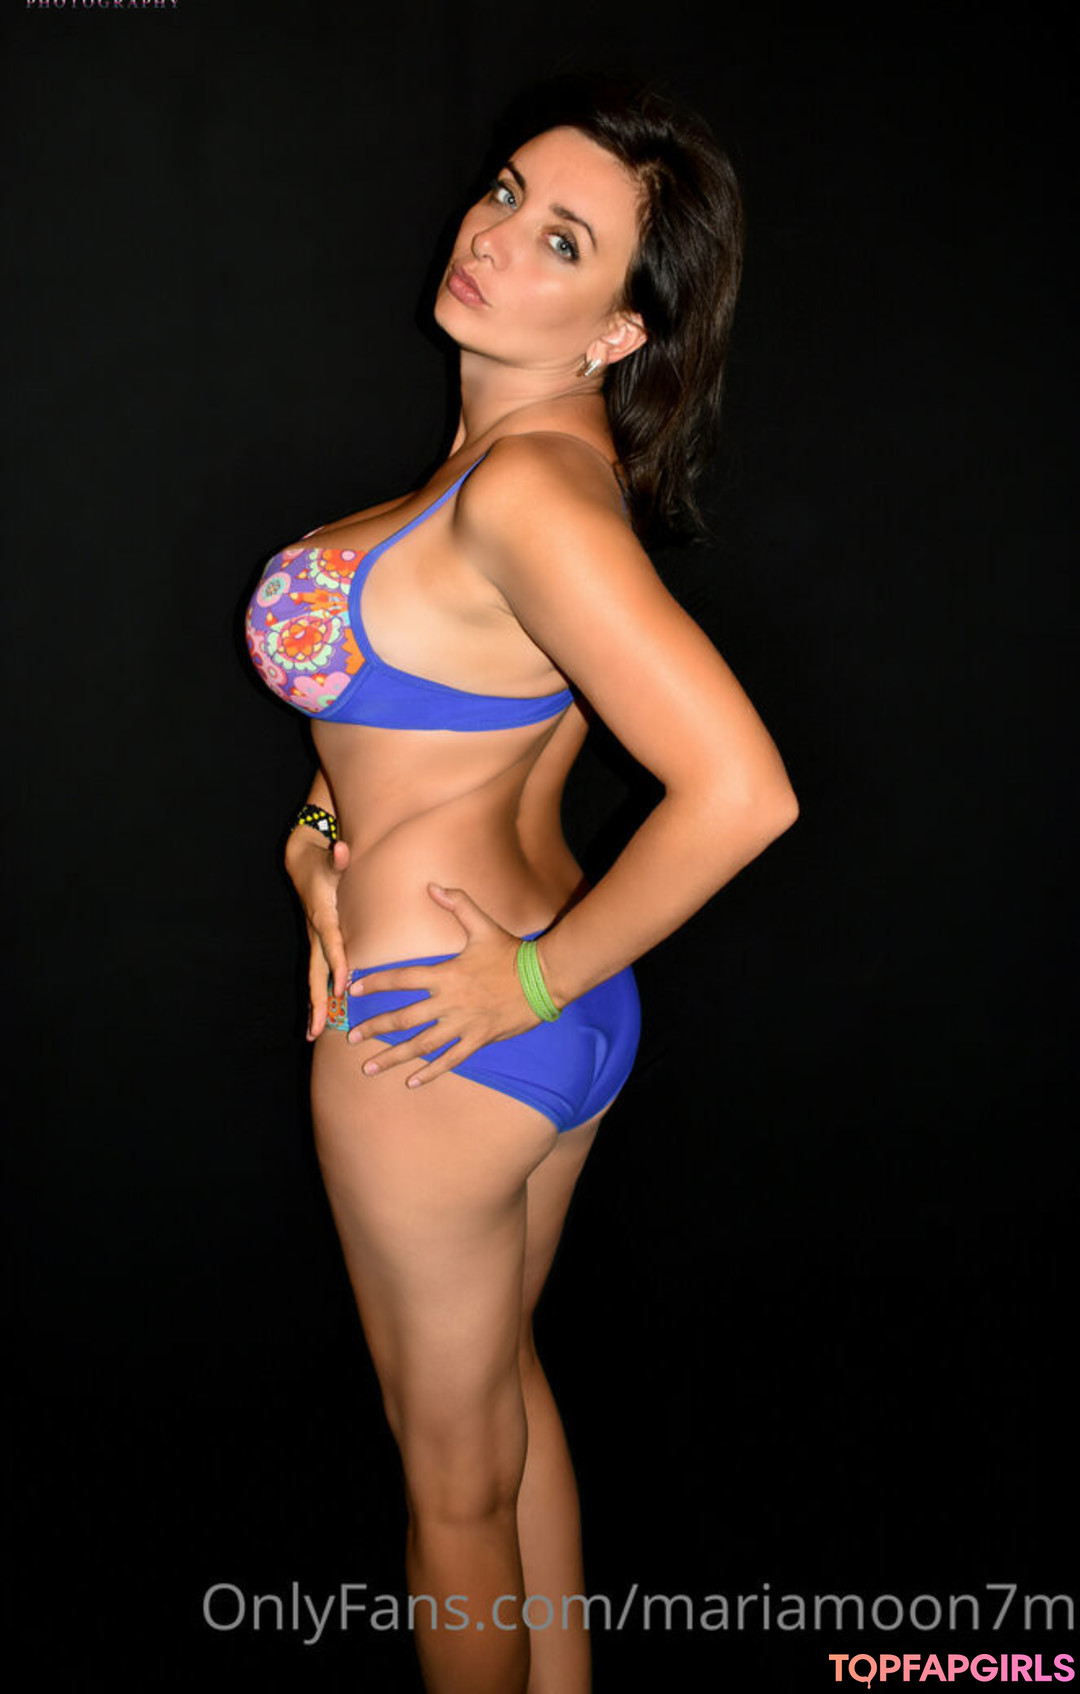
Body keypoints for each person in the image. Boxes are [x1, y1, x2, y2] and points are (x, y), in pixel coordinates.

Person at [244, 72, 799, 1694]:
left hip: (440, 1031)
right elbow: (435, 724)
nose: (494, 238)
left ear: (620, 327)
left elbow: (743, 792)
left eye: (562, 240)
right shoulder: (537, 468)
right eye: (506, 192)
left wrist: (527, 978)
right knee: (502, 1404)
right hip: (541, 1023)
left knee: (449, 1488)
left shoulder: (525, 492)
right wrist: (320, 833)